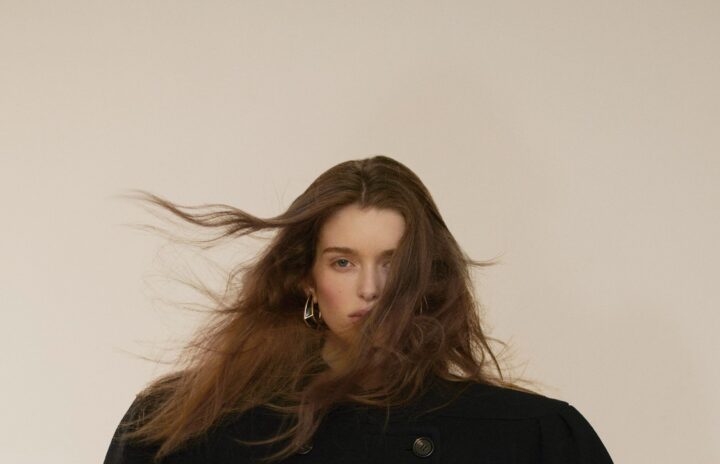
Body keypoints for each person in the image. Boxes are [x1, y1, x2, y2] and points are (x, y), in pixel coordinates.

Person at [104, 155, 614, 463]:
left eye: (393, 264)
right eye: (343, 262)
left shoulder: (529, 437)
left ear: (427, 276)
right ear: (306, 277)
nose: (371, 289)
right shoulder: (189, 428)